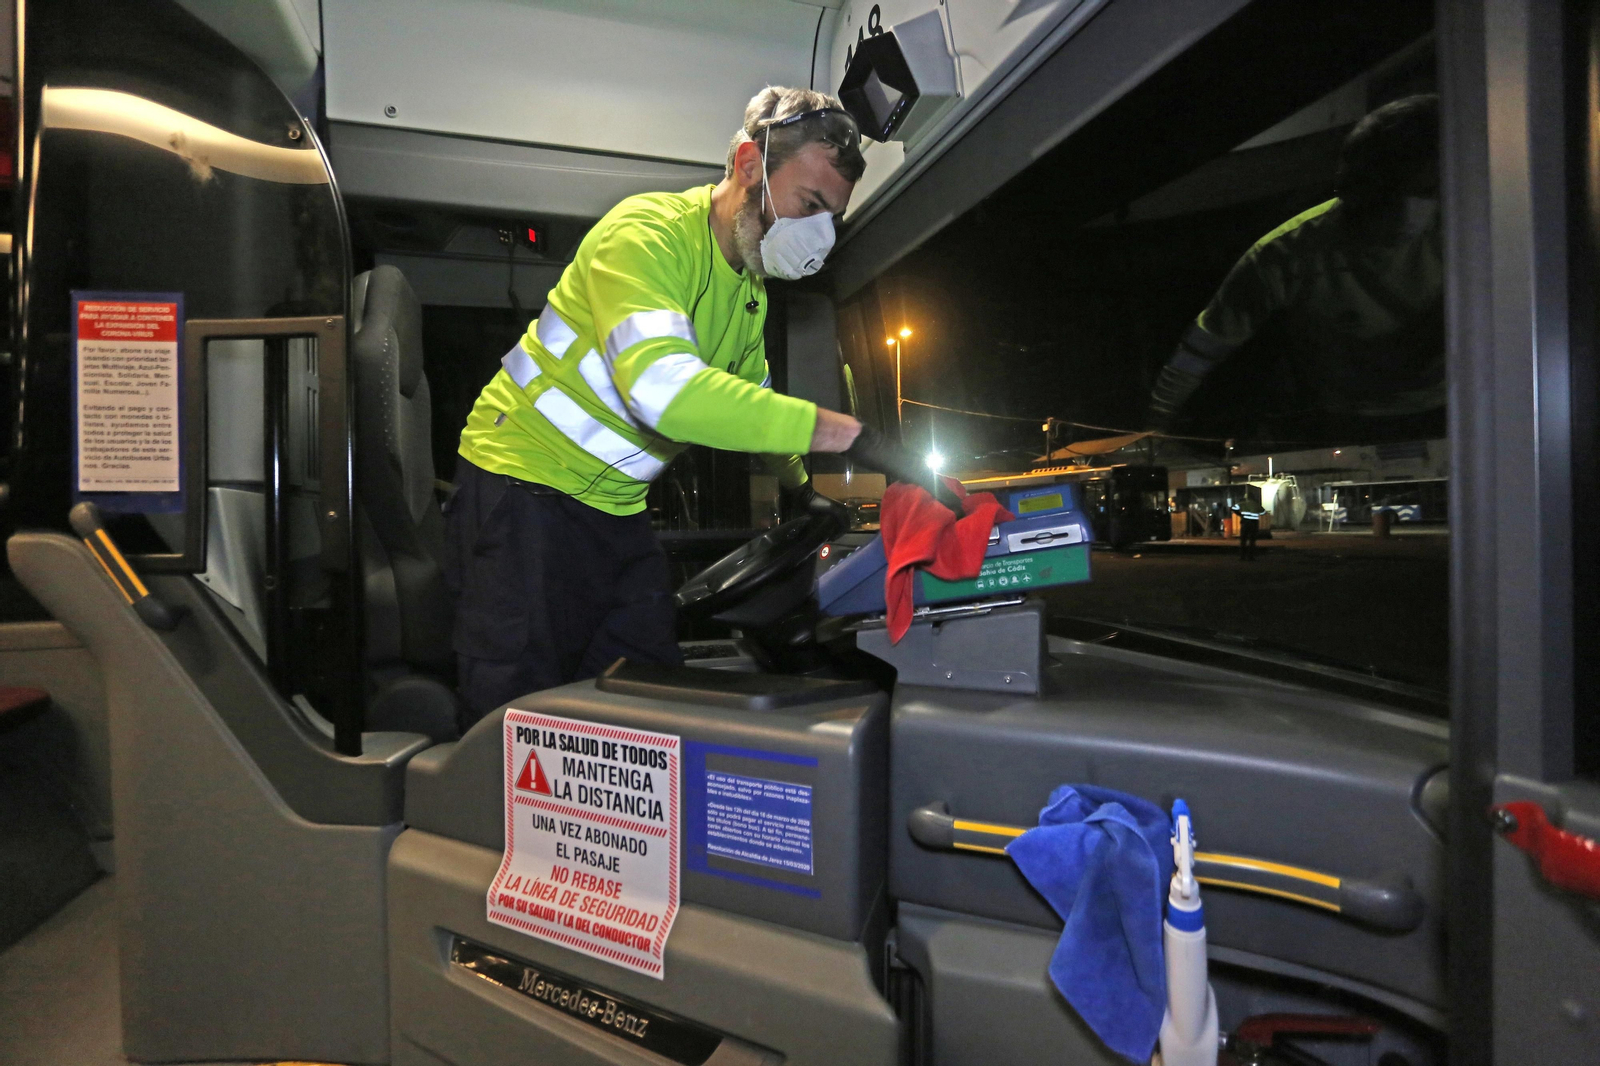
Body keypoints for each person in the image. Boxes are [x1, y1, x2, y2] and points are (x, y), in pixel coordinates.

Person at [445, 87, 886, 725]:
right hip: (521, 491)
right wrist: (839, 432)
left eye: (830, 219)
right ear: (748, 165)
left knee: (645, 702)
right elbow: (664, 391)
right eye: (809, 205)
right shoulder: (647, 235)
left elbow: (754, 395)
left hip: (613, 511)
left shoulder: (749, 290)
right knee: (517, 716)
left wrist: (798, 489)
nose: (817, 234)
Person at [1146, 95, 1442, 442]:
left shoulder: (1467, 226)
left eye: (1425, 191)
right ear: (1355, 190)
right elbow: (1202, 348)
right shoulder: (1286, 253)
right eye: (1390, 196)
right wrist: (1155, 429)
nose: (1408, 210)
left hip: (1450, 406)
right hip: (1342, 420)